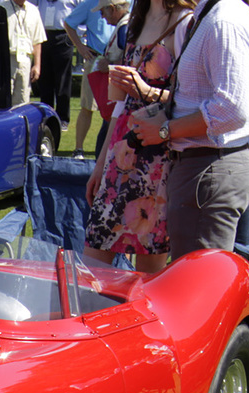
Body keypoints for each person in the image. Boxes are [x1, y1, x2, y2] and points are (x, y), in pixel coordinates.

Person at [129, 0, 249, 258]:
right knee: (200, 278)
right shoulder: (219, 15)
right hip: (208, 167)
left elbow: (231, 109)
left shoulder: (223, 21)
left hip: (208, 168)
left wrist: (165, 130)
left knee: (198, 285)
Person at [83, 0, 192, 272]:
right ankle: (94, 315)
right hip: (120, 150)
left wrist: (145, 90)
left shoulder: (186, 22)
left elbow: (192, 100)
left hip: (157, 157)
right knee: (95, 253)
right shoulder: (136, 20)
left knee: (149, 263)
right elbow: (120, 105)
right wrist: (101, 163)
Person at [65, 0, 127, 156]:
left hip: (114, 66)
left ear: (112, 8)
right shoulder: (90, 3)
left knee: (113, 112)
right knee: (88, 107)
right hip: (96, 60)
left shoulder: (126, 14)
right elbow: (68, 23)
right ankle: (79, 149)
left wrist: (113, 64)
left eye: (103, 11)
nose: (101, 15)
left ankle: (106, 153)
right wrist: (80, 47)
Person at [32, 0, 76, 123]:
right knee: (44, 79)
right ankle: (46, 116)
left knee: (62, 80)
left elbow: (81, 11)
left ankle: (62, 118)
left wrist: (78, 34)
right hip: (43, 34)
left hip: (64, 36)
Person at [0, 0, 44, 103]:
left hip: (25, 61)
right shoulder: (2, 9)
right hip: (6, 59)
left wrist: (37, 65)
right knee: (4, 100)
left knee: (22, 99)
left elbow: (37, 41)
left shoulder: (34, 11)